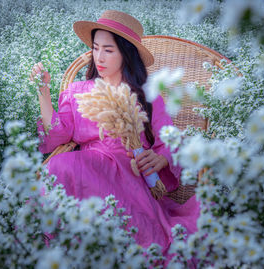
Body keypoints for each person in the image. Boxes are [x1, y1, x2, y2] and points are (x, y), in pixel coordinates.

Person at [31, 10, 200, 258]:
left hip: (130, 180)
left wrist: (160, 159)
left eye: (108, 50)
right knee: (58, 165)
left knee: (145, 241)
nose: (99, 57)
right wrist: (43, 92)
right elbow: (55, 135)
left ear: (126, 54)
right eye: (95, 48)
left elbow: (170, 143)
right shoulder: (77, 91)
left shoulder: (147, 96)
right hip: (86, 173)